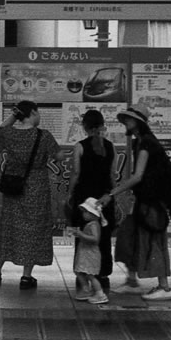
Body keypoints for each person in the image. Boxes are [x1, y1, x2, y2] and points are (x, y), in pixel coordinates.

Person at [0, 100, 61, 289]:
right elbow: (58, 156)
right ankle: (26, 277)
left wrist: (14, 115)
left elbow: (0, 128)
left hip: (14, 187)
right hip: (36, 188)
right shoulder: (44, 136)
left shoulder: (9, 134)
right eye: (38, 112)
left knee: (9, 228)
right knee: (33, 231)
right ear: (34, 113)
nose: (40, 116)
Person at [110, 103, 171, 302]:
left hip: (152, 202)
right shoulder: (142, 142)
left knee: (154, 241)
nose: (125, 123)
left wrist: (113, 192)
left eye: (128, 120)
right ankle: (131, 280)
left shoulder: (146, 143)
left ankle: (164, 286)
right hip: (144, 200)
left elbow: (138, 176)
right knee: (130, 237)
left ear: (137, 122)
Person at [66, 109, 120, 292]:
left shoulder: (80, 146)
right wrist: (114, 197)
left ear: (85, 127)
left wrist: (69, 194)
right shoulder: (111, 147)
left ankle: (83, 275)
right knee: (103, 238)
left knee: (83, 238)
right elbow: (113, 176)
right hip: (104, 199)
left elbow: (75, 173)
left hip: (84, 200)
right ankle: (102, 275)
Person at [72, 197, 109, 304]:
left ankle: (100, 294)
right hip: (85, 253)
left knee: (90, 275)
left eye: (85, 212)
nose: (83, 214)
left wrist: (81, 234)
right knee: (79, 271)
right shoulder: (91, 224)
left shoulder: (93, 225)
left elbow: (95, 239)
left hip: (89, 254)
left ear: (93, 214)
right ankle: (86, 290)